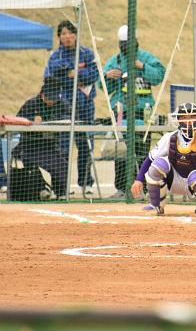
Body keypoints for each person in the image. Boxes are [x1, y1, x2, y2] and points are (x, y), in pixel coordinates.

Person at [131, 103, 196, 216]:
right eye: (184, 118)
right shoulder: (169, 138)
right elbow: (150, 159)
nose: (189, 121)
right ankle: (156, 206)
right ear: (178, 120)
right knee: (158, 164)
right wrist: (139, 180)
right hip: (174, 180)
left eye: (192, 117)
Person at [101, 25, 166, 199]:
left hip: (143, 113)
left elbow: (159, 76)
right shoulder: (115, 61)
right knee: (121, 151)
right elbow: (102, 87)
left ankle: (143, 188)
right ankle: (122, 188)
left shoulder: (146, 57)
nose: (126, 47)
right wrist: (107, 76)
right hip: (121, 113)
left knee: (142, 151)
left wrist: (142, 67)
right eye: (123, 43)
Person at [44, 21, 99, 195]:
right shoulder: (55, 57)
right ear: (59, 37)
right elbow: (51, 79)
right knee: (63, 147)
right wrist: (73, 78)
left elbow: (95, 74)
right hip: (63, 109)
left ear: (76, 35)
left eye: (70, 33)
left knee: (85, 145)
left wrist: (76, 73)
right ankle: (61, 186)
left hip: (85, 107)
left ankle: (86, 183)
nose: (67, 37)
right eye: (63, 33)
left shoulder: (87, 53)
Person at [15, 77, 71, 199]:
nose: (52, 101)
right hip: (30, 145)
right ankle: (40, 188)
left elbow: (72, 117)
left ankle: (61, 191)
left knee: (62, 158)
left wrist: (54, 120)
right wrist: (31, 120)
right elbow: (18, 120)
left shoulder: (63, 104)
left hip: (51, 145)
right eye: (50, 98)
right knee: (26, 157)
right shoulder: (31, 103)